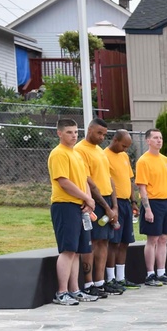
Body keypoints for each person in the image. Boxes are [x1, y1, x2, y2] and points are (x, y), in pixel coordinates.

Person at [47, 118, 97, 305]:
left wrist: (88, 200)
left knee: (77, 251)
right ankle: (61, 292)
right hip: (65, 205)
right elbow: (63, 181)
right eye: (69, 132)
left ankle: (75, 289)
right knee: (68, 249)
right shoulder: (59, 154)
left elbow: (83, 180)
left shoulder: (76, 154)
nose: (74, 135)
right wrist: (85, 198)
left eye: (76, 132)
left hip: (79, 206)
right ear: (59, 133)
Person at [75, 118, 122, 298]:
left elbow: (109, 178)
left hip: (108, 201)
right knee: (92, 242)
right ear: (89, 130)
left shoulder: (100, 151)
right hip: (95, 202)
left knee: (104, 242)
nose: (102, 137)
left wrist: (114, 206)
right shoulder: (80, 150)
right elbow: (89, 183)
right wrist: (106, 207)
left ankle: (100, 282)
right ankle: (88, 283)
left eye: (104, 134)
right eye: (99, 133)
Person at [136, 128, 167, 286]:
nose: (159, 140)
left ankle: (162, 273)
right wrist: (147, 209)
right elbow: (142, 187)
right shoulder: (143, 161)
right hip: (153, 202)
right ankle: (150, 274)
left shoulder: (165, 160)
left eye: (160, 138)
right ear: (148, 141)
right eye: (155, 138)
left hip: (165, 202)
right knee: (153, 239)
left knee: (163, 238)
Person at [104, 130, 141, 290]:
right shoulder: (104, 156)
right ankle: (110, 278)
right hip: (115, 202)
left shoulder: (124, 157)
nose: (125, 149)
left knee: (125, 242)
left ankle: (121, 277)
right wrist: (114, 206)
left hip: (126, 203)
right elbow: (107, 182)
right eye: (123, 146)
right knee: (114, 242)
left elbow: (129, 179)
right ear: (115, 140)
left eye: (128, 147)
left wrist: (133, 201)